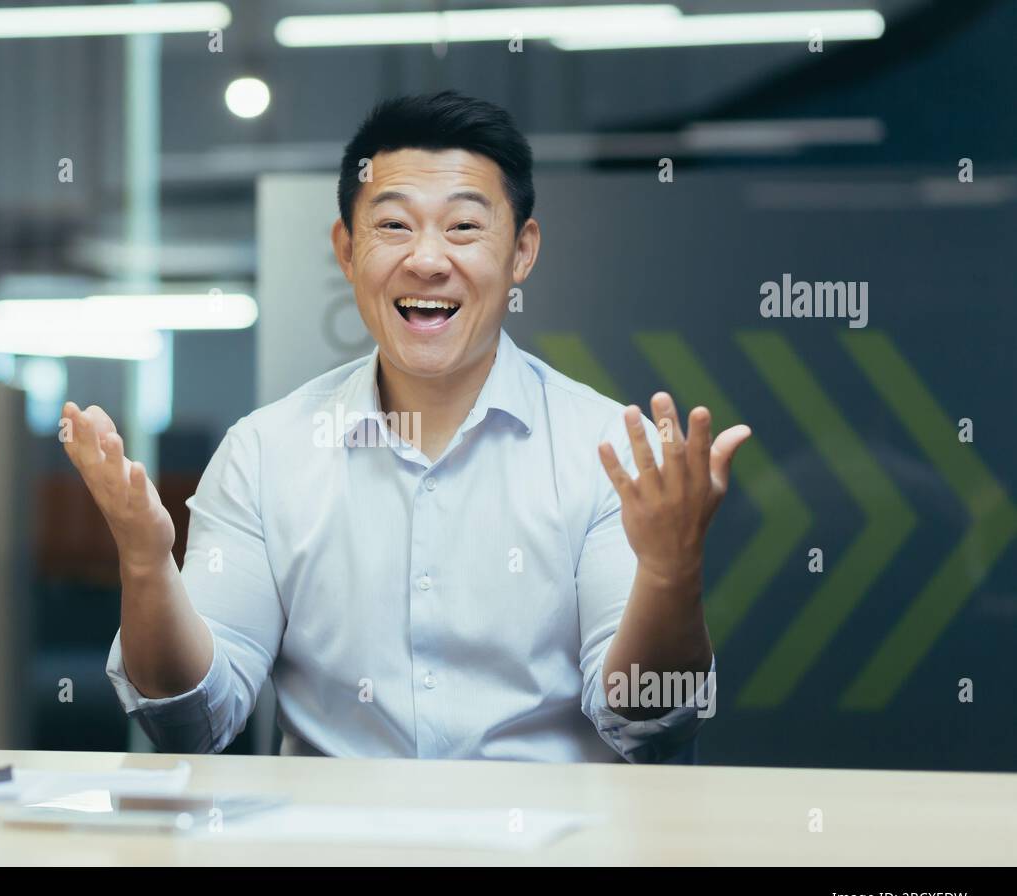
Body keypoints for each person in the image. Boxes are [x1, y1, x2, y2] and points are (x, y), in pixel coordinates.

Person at [60, 90, 750, 763]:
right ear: (346, 248)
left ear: (522, 252)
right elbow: (191, 719)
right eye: (393, 225)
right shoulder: (266, 453)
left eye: (464, 227)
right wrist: (147, 565)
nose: (426, 259)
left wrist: (669, 573)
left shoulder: (601, 451)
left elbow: (647, 721)